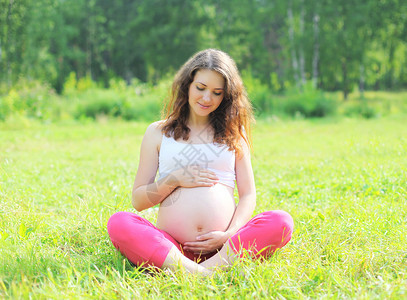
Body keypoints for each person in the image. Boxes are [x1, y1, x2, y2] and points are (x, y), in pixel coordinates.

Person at [107, 49, 294, 275]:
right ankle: (203, 274)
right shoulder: (158, 132)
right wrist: (174, 180)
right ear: (187, 84)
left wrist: (229, 234)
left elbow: (248, 194)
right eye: (201, 88)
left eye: (217, 92)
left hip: (225, 248)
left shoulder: (234, 133)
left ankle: (196, 271)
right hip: (172, 247)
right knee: (119, 223)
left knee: (281, 221)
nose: (207, 99)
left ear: (226, 96)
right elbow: (138, 200)